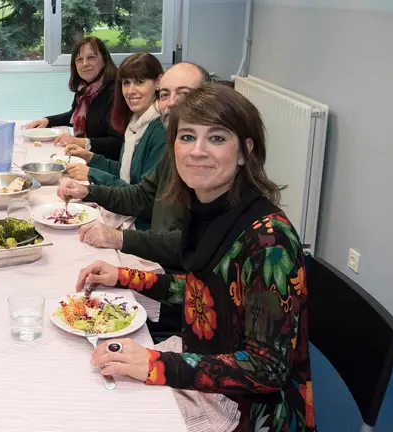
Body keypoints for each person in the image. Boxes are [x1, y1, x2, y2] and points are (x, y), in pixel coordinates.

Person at [77, 85, 314, 431]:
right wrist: (124, 276)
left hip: (247, 409)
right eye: (187, 137)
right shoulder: (207, 207)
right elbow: (206, 292)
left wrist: (159, 365)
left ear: (245, 151)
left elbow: (268, 370)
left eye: (216, 138)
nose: (198, 151)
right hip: (204, 364)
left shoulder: (269, 242)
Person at [58, 62, 211, 341]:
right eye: (165, 95)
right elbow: (142, 195)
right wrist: (88, 192)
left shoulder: (237, 203)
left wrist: (120, 240)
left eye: (184, 94)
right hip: (170, 281)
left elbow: (189, 248)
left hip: (188, 308)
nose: (171, 104)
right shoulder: (174, 151)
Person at [63, 53, 165, 232]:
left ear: (158, 82)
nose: (130, 90)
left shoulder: (160, 131)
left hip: (143, 227)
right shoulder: (136, 122)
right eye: (126, 83)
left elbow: (143, 198)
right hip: (130, 212)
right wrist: (91, 157)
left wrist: (92, 175)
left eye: (139, 82)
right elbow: (125, 172)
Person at [25, 36, 123, 161]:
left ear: (104, 60)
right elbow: (73, 114)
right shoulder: (85, 89)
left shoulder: (116, 92)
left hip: (107, 164)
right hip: (89, 157)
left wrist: (80, 142)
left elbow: (118, 143)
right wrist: (47, 121)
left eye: (91, 57)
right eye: (79, 59)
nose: (85, 64)